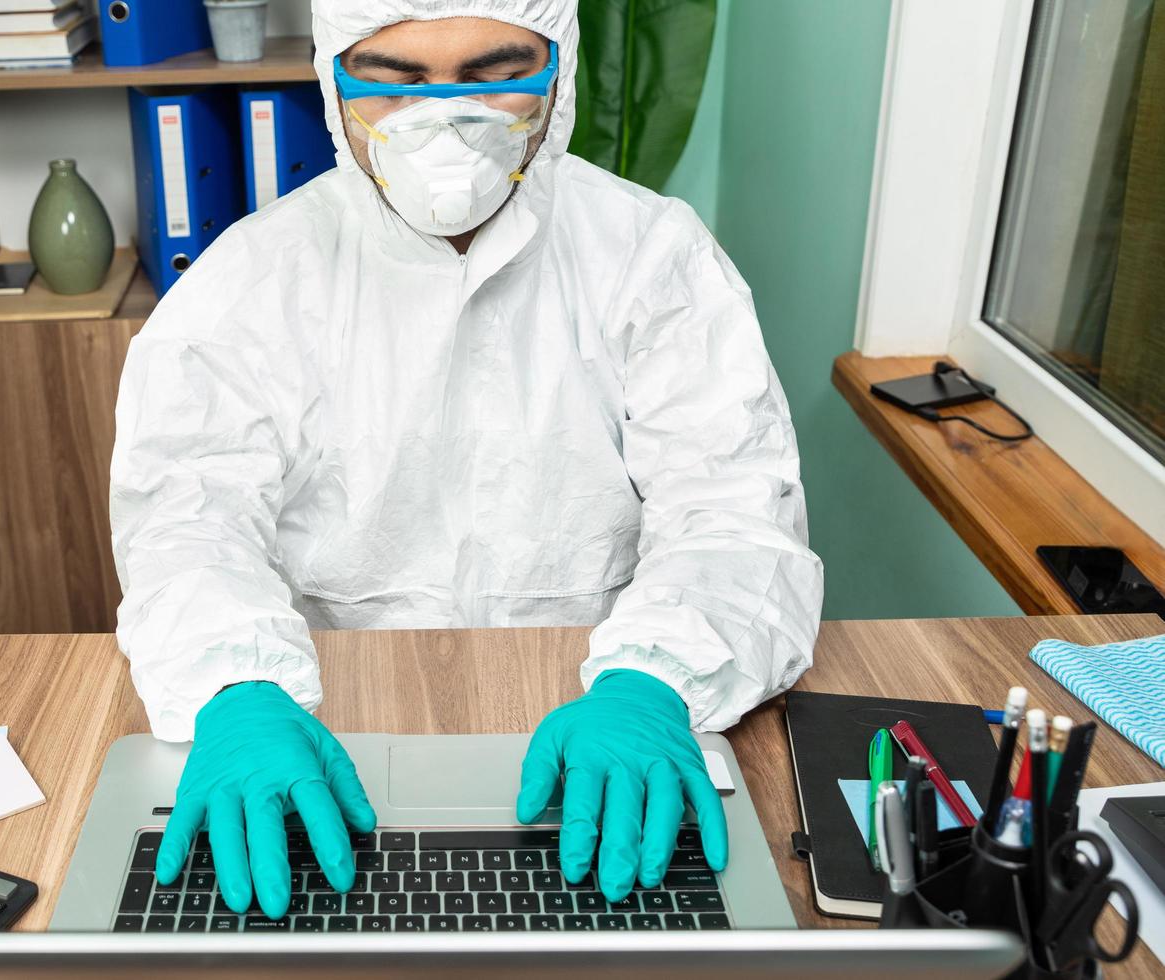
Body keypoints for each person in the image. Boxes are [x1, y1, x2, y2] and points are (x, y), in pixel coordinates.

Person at [110, 0, 823, 923]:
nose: (445, 120)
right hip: (322, 730)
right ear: (332, 84)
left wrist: (655, 683)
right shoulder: (253, 280)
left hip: (599, 727)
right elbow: (186, 517)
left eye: (496, 74)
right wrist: (236, 690)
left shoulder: (653, 257)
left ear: (558, 74)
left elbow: (732, 509)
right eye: (394, 81)